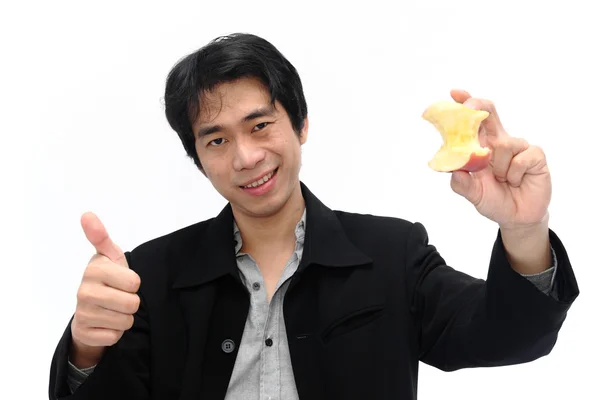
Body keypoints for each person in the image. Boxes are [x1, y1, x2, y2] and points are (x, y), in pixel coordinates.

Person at [48, 33, 579, 400]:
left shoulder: (392, 255)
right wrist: (87, 347)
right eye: (217, 139)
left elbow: (511, 337)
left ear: (300, 124)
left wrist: (524, 228)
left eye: (260, 126)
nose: (245, 157)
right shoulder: (151, 275)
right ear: (198, 157)